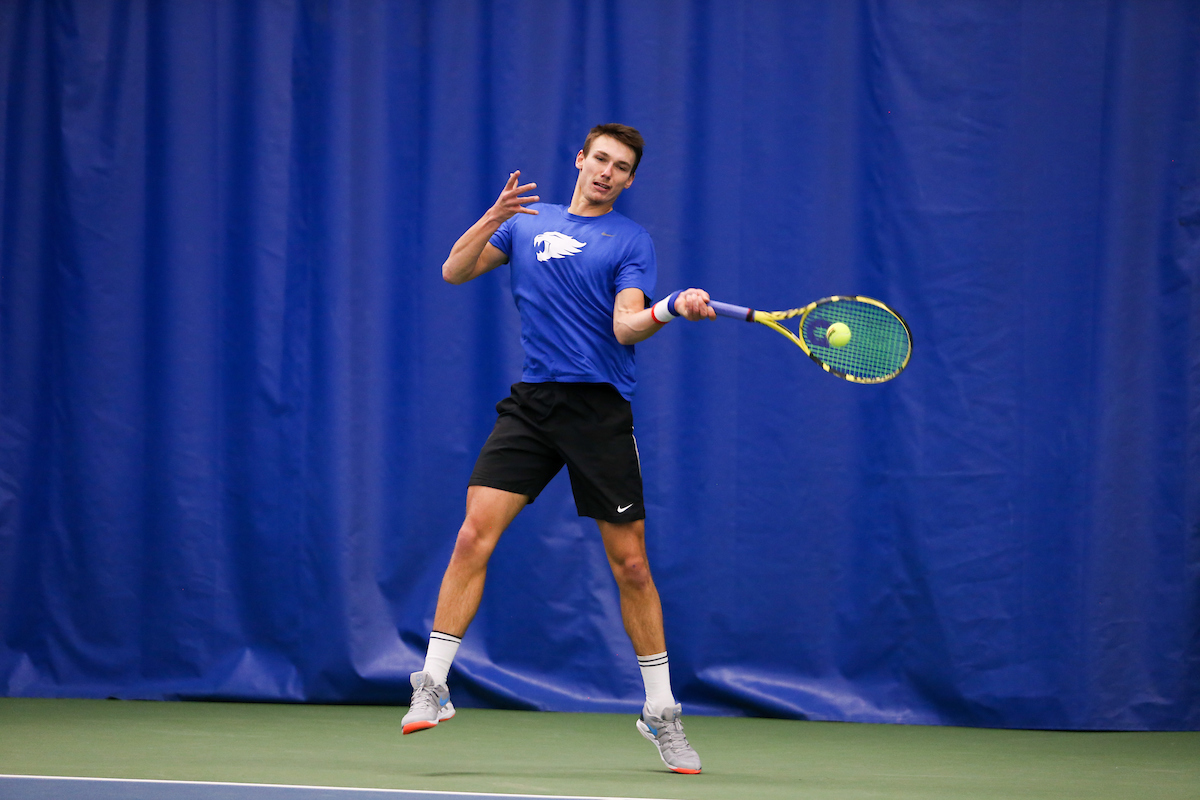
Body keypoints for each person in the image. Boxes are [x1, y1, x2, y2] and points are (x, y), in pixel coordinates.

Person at [403, 123, 713, 775]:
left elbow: (626, 322)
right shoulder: (524, 223)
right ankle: (432, 684)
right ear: (581, 159)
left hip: (598, 409)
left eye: (620, 166)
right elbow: (454, 270)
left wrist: (668, 309)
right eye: (599, 158)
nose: (606, 171)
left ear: (629, 180)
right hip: (534, 405)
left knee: (631, 565)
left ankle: (661, 713)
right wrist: (493, 215)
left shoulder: (630, 240)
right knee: (470, 538)